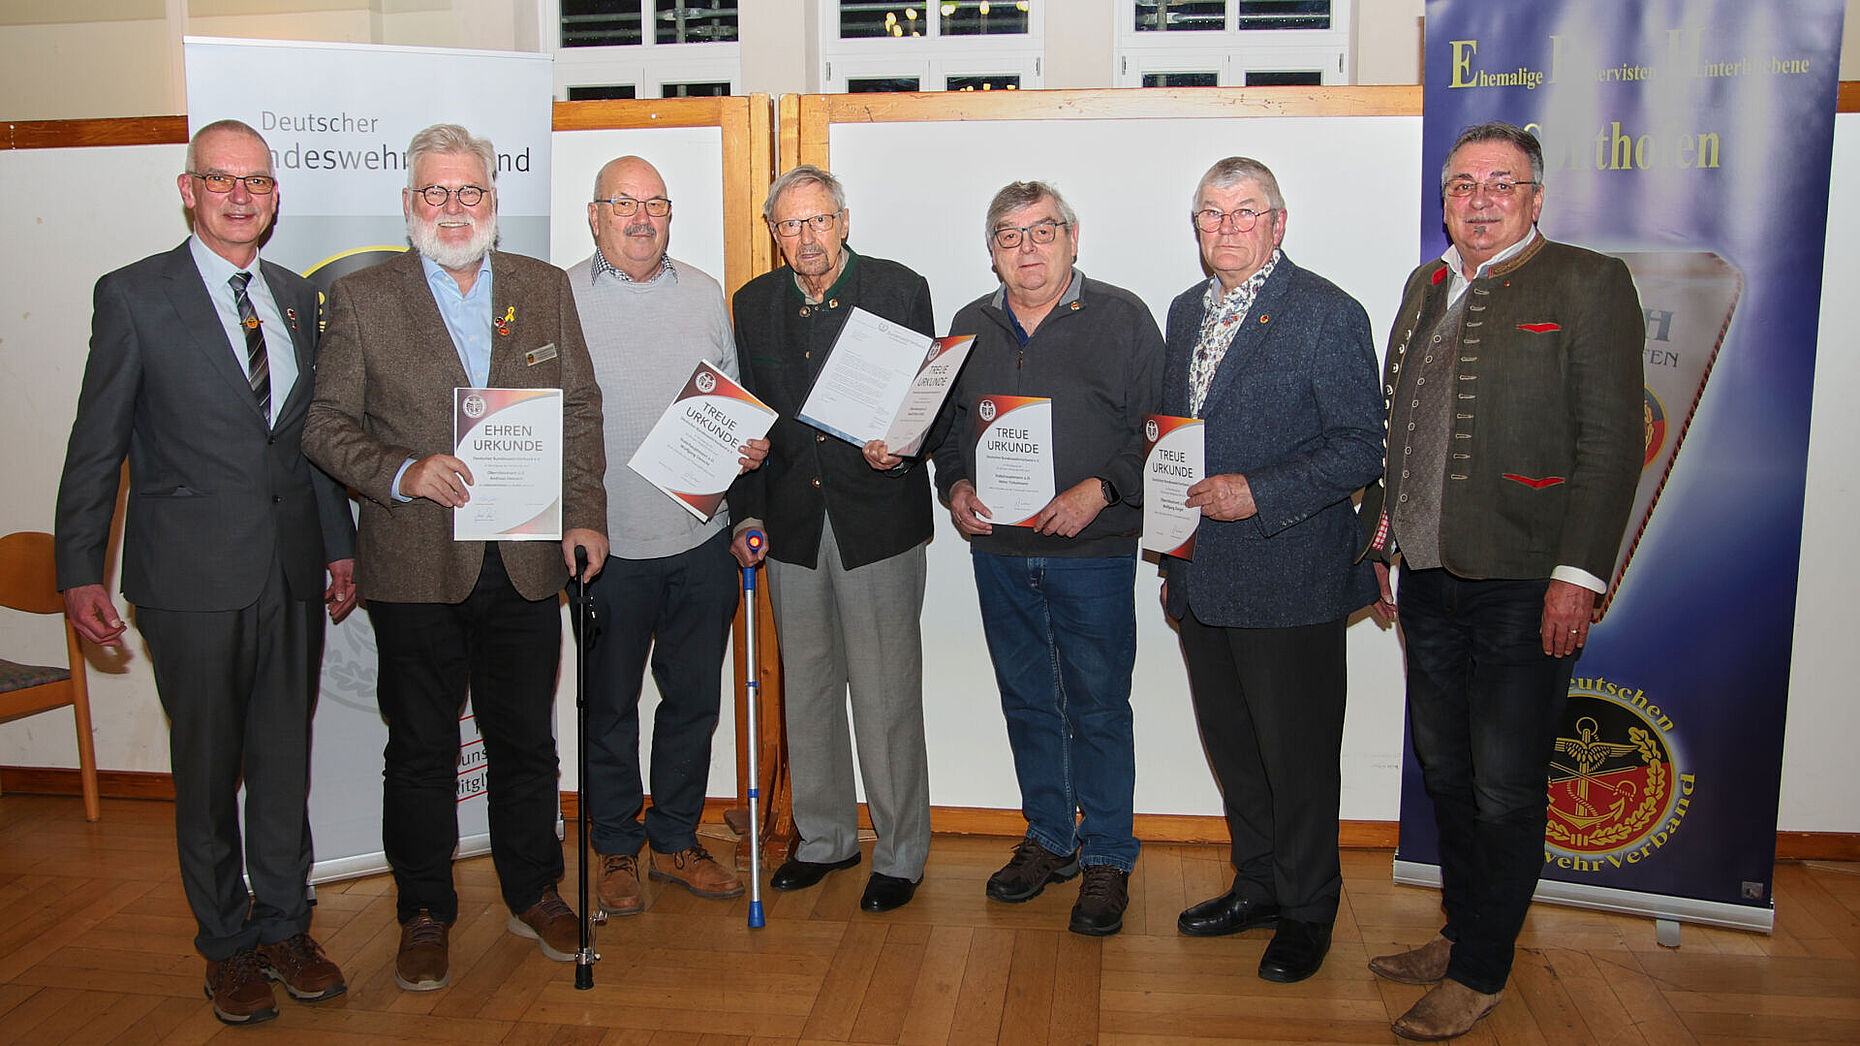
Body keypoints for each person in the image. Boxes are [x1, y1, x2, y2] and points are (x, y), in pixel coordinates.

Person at [53, 119, 356, 1026]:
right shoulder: (136, 296)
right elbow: (95, 444)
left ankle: (285, 927)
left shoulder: (300, 298)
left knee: (281, 759)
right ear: (188, 190)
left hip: (291, 570)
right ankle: (225, 946)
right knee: (208, 766)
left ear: (273, 197)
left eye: (256, 182)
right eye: (220, 180)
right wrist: (79, 569)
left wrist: (338, 545)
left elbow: (307, 440)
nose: (239, 196)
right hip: (188, 580)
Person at [303, 123, 609, 991]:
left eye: (468, 191)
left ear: (493, 203)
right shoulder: (364, 299)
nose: (452, 207)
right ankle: (425, 911)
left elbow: (579, 410)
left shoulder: (542, 290)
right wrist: (401, 471)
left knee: (526, 744)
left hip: (525, 561)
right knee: (423, 750)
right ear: (408, 206)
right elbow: (324, 426)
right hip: (413, 565)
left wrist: (585, 515)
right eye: (434, 193)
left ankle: (535, 890)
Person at [1359, 122, 1643, 1041]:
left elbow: (1610, 445)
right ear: (1445, 199)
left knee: (1509, 786)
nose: (1480, 199)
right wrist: (1386, 537)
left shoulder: (1590, 282)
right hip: (1430, 573)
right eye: (1463, 184)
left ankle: (1481, 969)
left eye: (1501, 183)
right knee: (1447, 770)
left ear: (1535, 197)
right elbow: (1403, 424)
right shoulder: (1426, 284)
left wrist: (1579, 575)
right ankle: (1462, 930)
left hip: (1530, 577)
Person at [1158, 157, 1384, 981]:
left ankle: (1308, 910)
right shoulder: (1186, 312)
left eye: (1245, 212)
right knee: (1237, 750)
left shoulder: (1327, 313)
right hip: (1202, 575)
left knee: (1298, 756)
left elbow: (1363, 444)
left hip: (1291, 574)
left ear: (1278, 224)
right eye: (1211, 213)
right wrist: (1172, 545)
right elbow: (1173, 441)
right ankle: (1257, 883)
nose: (1226, 227)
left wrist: (1258, 491)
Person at [931, 180, 1163, 937]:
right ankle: (1051, 837)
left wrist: (1101, 490)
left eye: (1042, 232)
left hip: (1090, 551)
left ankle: (1107, 855)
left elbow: (1157, 430)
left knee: (1097, 704)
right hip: (1000, 552)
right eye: (1009, 235)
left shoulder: (1123, 317)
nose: (1027, 249)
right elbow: (944, 432)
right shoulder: (969, 325)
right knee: (1028, 700)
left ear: (1071, 237)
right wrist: (956, 483)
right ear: (991, 251)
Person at [728, 164, 935, 914]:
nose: (806, 237)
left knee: (885, 695)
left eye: (819, 221)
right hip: (790, 523)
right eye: (790, 224)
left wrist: (903, 445)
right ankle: (823, 838)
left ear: (844, 221)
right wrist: (747, 508)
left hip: (876, 518)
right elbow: (749, 416)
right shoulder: (752, 305)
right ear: (774, 233)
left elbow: (930, 399)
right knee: (808, 689)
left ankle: (902, 851)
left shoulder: (897, 288)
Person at [567, 155, 768, 915]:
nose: (641, 218)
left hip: (700, 543)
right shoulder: (561, 298)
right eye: (624, 202)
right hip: (605, 549)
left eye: (655, 202)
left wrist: (751, 449)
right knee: (608, 706)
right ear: (595, 215)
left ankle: (676, 839)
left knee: (692, 701)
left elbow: (736, 403)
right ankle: (616, 847)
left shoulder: (705, 294)